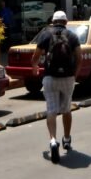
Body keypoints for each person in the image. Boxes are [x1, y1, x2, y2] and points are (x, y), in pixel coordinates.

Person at [31, 10, 82, 164]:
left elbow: (36, 56)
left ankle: (53, 141)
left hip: (50, 77)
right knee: (66, 109)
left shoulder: (46, 35)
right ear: (66, 22)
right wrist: (75, 75)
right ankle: (66, 139)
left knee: (51, 110)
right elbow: (79, 57)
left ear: (53, 22)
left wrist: (35, 66)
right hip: (67, 78)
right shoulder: (72, 36)